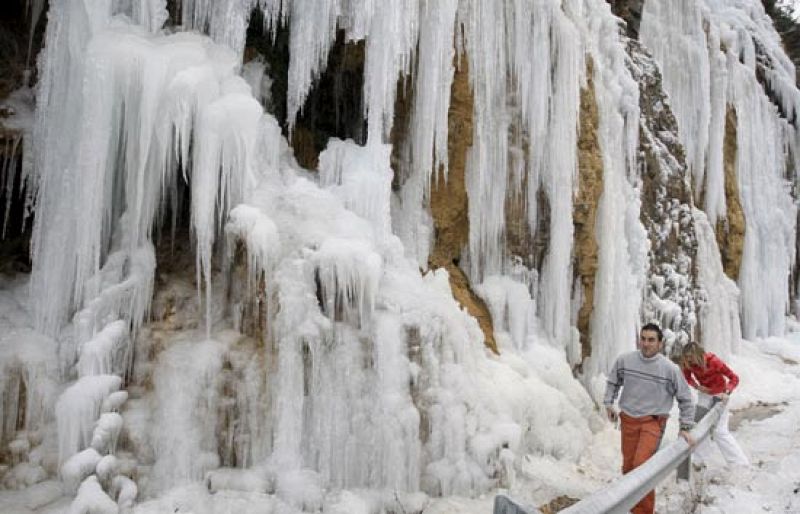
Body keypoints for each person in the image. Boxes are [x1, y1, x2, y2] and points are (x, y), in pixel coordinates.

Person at [603, 323, 696, 514]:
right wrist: (608, 403)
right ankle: (631, 508)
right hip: (628, 419)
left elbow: (686, 399)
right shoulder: (625, 360)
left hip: (653, 422)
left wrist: (685, 426)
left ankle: (643, 512)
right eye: (643, 339)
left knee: (641, 467)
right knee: (628, 468)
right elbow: (613, 381)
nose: (646, 344)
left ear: (660, 344)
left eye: (651, 340)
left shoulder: (670, 369)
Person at [680, 341, 749, 468]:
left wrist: (727, 391)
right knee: (700, 427)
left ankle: (740, 463)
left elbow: (734, 378)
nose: (689, 360)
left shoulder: (714, 361)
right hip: (704, 396)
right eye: (687, 357)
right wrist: (698, 387)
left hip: (720, 396)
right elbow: (687, 377)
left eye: (691, 357)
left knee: (719, 431)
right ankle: (700, 460)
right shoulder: (688, 364)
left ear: (699, 355)